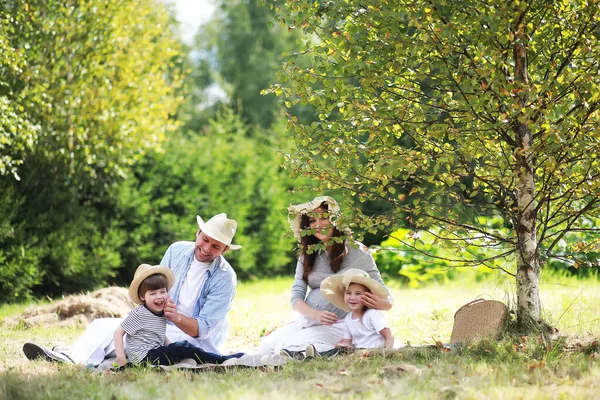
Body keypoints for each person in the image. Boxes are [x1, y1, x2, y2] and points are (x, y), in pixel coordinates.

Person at [23, 213, 242, 365]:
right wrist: (147, 311)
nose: (206, 248)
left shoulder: (225, 277)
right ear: (198, 232)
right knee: (104, 325)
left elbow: (202, 329)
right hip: (160, 323)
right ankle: (70, 354)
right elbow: (155, 287)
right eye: (205, 239)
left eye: (215, 246)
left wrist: (175, 317)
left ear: (225, 250)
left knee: (129, 338)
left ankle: (71, 356)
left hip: (191, 338)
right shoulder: (177, 250)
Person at [258, 196, 393, 358]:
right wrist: (315, 315)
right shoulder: (307, 255)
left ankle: (334, 348)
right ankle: (321, 348)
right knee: (266, 347)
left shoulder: (357, 252)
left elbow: (387, 299)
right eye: (312, 221)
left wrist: (379, 304)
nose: (318, 225)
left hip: (343, 323)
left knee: (285, 347)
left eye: (323, 218)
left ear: (335, 220)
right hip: (311, 320)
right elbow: (296, 298)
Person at [114, 263, 243, 367]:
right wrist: (121, 360)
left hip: (153, 353)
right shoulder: (139, 314)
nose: (159, 297)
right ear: (142, 296)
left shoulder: (159, 312)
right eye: (152, 293)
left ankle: (210, 358)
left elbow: (158, 333)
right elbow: (118, 333)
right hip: (143, 358)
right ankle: (219, 360)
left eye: (162, 292)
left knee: (181, 349)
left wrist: (170, 345)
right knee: (184, 347)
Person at [305, 268, 393, 357]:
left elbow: (389, 336)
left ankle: (317, 355)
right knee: (338, 351)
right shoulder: (349, 318)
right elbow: (348, 342)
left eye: (358, 294)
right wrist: (341, 345)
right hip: (359, 352)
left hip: (374, 351)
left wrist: (386, 353)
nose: (352, 298)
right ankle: (309, 355)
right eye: (348, 293)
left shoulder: (372, 314)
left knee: (343, 354)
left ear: (368, 296)